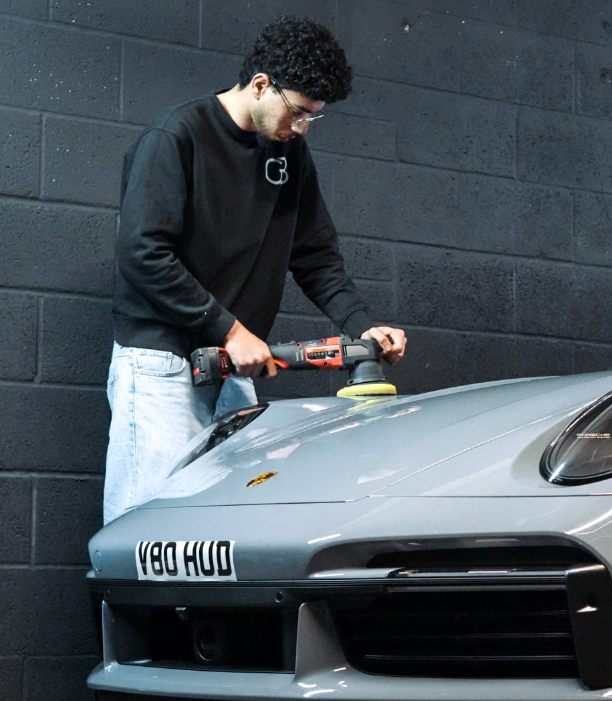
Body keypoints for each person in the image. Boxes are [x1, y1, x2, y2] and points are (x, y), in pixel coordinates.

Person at [104, 15, 406, 524]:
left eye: (313, 117)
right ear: (262, 84)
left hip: (231, 370)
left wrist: (362, 325)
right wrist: (232, 329)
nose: (302, 127)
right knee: (146, 529)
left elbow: (315, 257)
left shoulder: (290, 154)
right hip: (162, 367)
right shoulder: (177, 136)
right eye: (298, 113)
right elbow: (143, 254)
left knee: (218, 532)